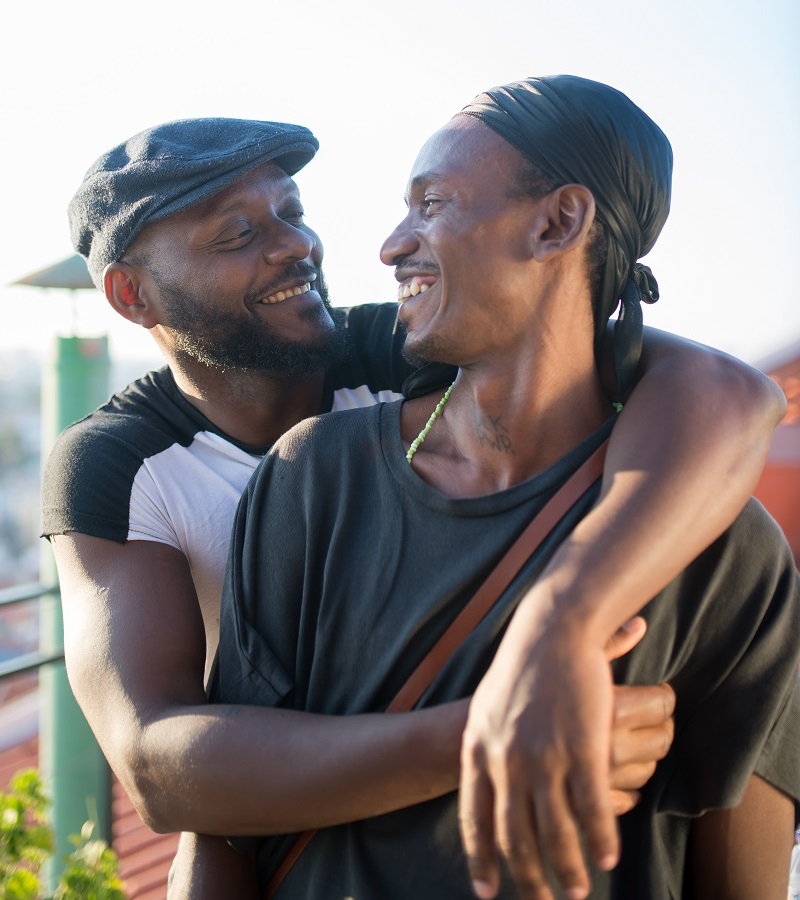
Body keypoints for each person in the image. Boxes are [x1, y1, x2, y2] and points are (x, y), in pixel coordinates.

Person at [43, 115, 784, 894]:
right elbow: (159, 765)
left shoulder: (408, 354)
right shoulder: (121, 464)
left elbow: (726, 393)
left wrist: (556, 628)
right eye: (236, 235)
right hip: (284, 843)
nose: (295, 245)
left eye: (292, 213)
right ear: (132, 295)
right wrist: (504, 731)